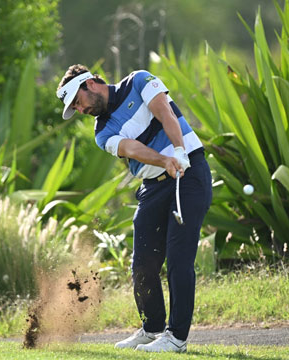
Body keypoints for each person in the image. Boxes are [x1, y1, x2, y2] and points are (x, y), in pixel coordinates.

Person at [56, 65, 212, 353]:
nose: (79, 110)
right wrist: (165, 161)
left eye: (77, 102)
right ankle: (152, 328)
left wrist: (178, 151)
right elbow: (130, 148)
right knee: (143, 262)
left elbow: (164, 111)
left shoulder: (139, 80)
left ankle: (177, 337)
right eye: (74, 108)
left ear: (90, 83)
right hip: (154, 187)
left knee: (179, 260)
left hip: (189, 176)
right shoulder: (102, 132)